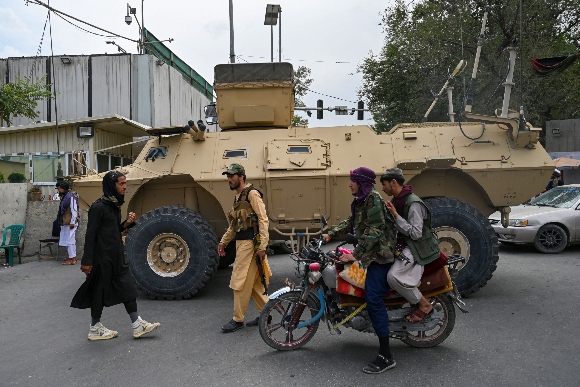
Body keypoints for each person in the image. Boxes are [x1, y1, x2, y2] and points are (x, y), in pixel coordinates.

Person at [322, 167, 397, 374]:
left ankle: (386, 355)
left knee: (373, 297)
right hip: (370, 253)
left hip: (381, 256)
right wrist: (331, 234)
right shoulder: (362, 200)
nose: (349, 184)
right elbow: (352, 222)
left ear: (362, 182)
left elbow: (375, 230)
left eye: (353, 180)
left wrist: (356, 254)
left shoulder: (373, 199)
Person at [71, 170, 160, 341]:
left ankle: (135, 324)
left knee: (127, 287)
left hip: (116, 256)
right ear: (112, 185)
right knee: (99, 292)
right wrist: (87, 261)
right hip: (102, 259)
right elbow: (91, 235)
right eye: (121, 183)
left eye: (125, 183)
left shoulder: (113, 206)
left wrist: (126, 224)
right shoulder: (98, 207)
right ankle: (97, 327)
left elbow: (111, 231)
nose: (125, 187)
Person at [380, 168, 441, 323]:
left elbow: (416, 233)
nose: (383, 188)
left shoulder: (413, 203)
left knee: (393, 277)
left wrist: (395, 216)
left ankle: (424, 304)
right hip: (404, 244)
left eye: (384, 184)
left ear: (393, 183)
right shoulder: (398, 200)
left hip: (417, 247)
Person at [218, 163, 272, 333]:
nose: (229, 180)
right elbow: (234, 225)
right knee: (255, 283)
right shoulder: (238, 197)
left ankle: (237, 319)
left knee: (238, 281)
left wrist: (262, 246)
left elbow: (263, 220)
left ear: (241, 177)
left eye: (232, 176)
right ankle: (267, 314)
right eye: (227, 176)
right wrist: (223, 242)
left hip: (250, 244)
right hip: (243, 243)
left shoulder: (252, 194)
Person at [57, 182, 79, 265]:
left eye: (60, 188)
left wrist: (73, 221)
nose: (59, 190)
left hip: (70, 222)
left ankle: (71, 259)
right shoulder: (66, 196)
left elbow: (74, 209)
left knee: (70, 240)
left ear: (64, 188)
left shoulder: (71, 196)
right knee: (69, 239)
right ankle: (73, 257)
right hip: (67, 222)